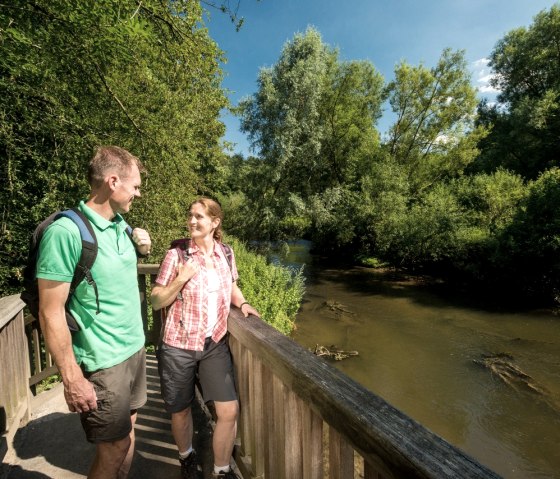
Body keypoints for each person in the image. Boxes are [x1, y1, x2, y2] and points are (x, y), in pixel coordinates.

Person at [36, 146, 151, 479]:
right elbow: (50, 312)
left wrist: (142, 247)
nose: (138, 193)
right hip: (102, 362)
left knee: (127, 435)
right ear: (113, 182)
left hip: (134, 350)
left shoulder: (118, 224)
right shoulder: (66, 233)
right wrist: (71, 377)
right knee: (113, 449)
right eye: (135, 186)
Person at [151, 197, 259, 479]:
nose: (192, 221)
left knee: (228, 411)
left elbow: (233, 287)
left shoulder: (226, 253)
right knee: (181, 410)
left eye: (199, 216)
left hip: (214, 344)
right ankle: (186, 457)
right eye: (190, 216)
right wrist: (181, 278)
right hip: (178, 346)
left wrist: (244, 304)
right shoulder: (177, 255)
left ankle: (221, 470)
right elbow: (155, 301)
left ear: (215, 222)